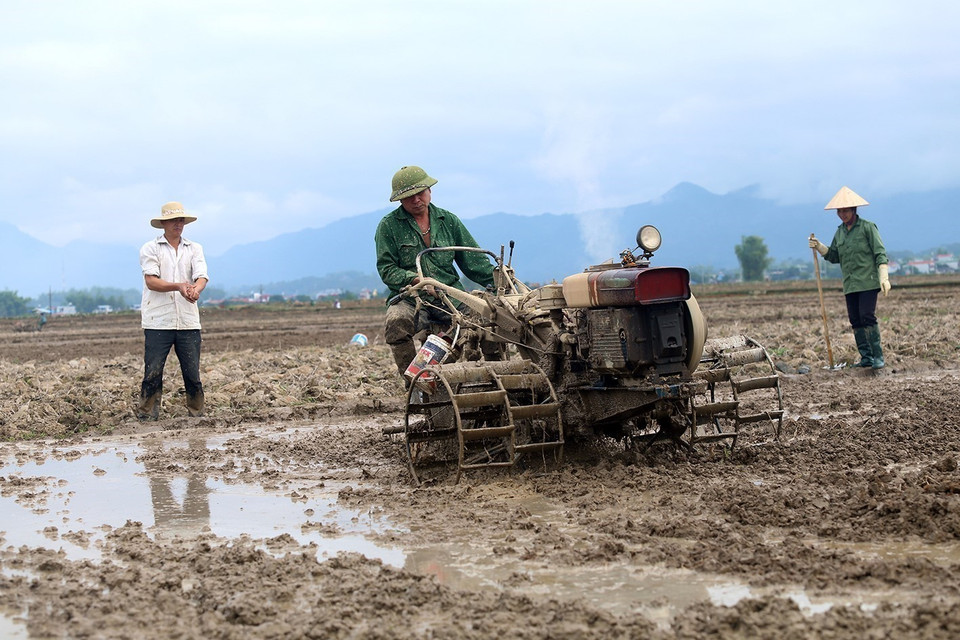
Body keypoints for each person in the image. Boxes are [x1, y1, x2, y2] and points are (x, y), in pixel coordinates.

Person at [375, 165, 495, 375]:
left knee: (489, 320)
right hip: (411, 298)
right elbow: (387, 269)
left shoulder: (448, 221)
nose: (416, 200)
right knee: (396, 323)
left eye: (420, 193)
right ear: (400, 200)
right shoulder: (388, 226)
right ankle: (414, 384)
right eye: (409, 196)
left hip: (451, 296)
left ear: (429, 191)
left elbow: (475, 263)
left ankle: (501, 374)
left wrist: (499, 280)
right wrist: (416, 280)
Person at [137, 201, 209, 420]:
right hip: (158, 320)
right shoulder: (151, 248)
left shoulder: (194, 248)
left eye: (181, 220)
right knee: (153, 372)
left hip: (188, 321)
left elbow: (202, 277)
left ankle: (196, 414)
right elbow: (151, 281)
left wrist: (195, 289)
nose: (178, 224)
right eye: (174, 220)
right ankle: (147, 415)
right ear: (164, 224)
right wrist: (179, 286)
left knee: (192, 373)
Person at [808, 186, 891, 369]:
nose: (842, 214)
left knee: (867, 315)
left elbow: (880, 253)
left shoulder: (868, 228)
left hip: (867, 281)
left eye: (845, 210)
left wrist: (883, 277)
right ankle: (866, 357)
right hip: (850, 284)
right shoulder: (840, 232)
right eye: (839, 211)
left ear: (854, 210)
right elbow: (834, 256)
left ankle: (878, 357)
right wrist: (819, 246)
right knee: (855, 319)